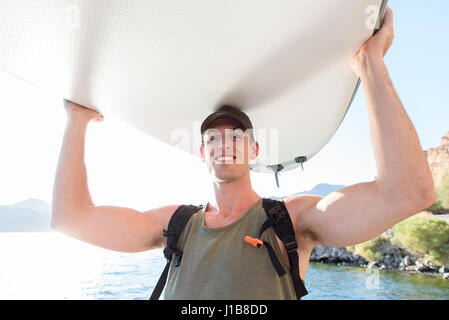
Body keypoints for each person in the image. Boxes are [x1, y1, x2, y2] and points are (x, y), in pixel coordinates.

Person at [51, 8, 435, 299]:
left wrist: (371, 64)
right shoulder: (176, 226)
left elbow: (409, 192)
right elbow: (71, 219)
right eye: (213, 138)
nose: (225, 143)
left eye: (236, 135)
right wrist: (77, 121)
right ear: (203, 153)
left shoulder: (291, 220)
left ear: (254, 148)